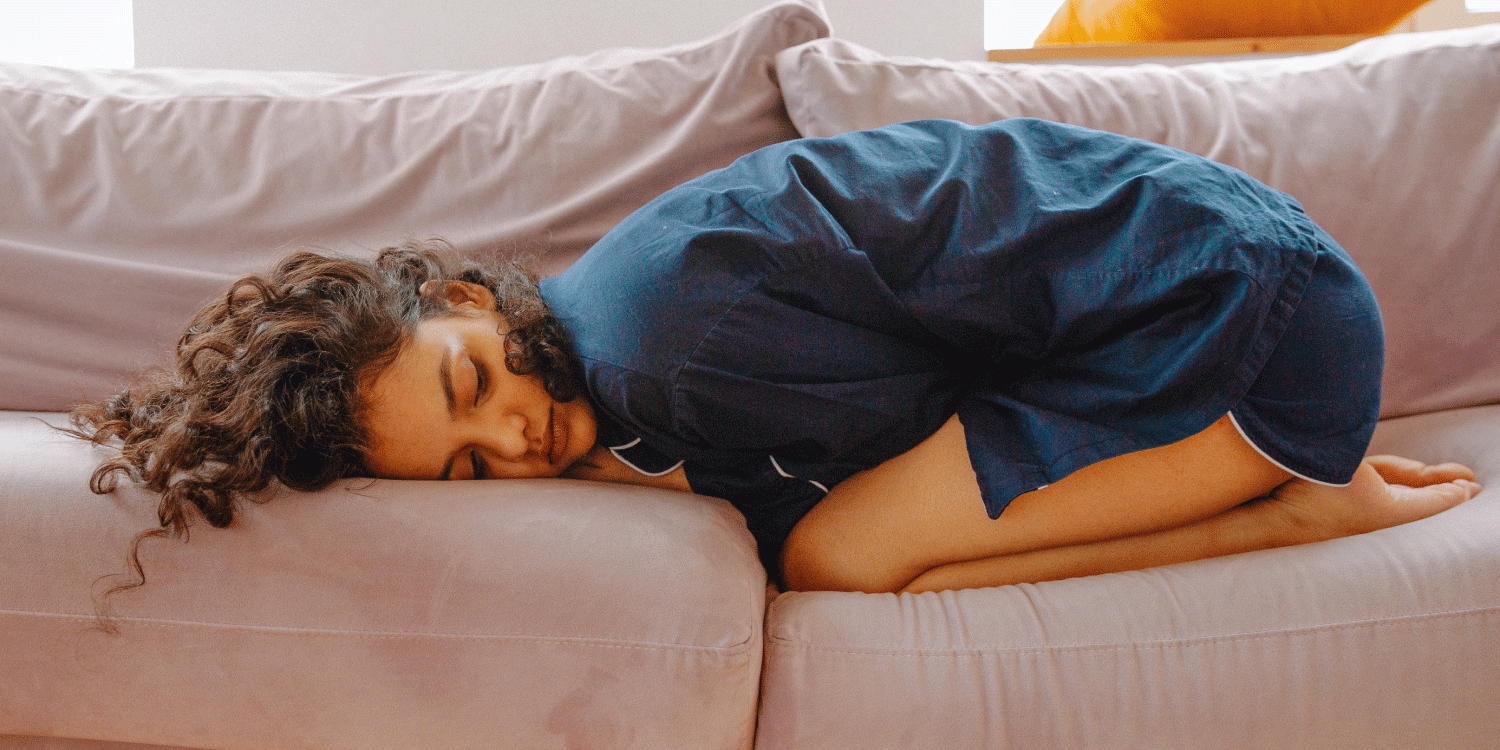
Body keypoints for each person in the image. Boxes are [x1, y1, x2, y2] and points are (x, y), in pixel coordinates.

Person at [73, 118, 1480, 596]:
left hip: (1255, 334)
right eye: (466, 460)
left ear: (465, 299)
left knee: (836, 562)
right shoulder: (617, 311)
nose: (514, 436)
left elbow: (889, 469)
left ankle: (1294, 506)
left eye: (471, 382)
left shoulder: (666, 354)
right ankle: (1257, 484)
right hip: (1249, 270)